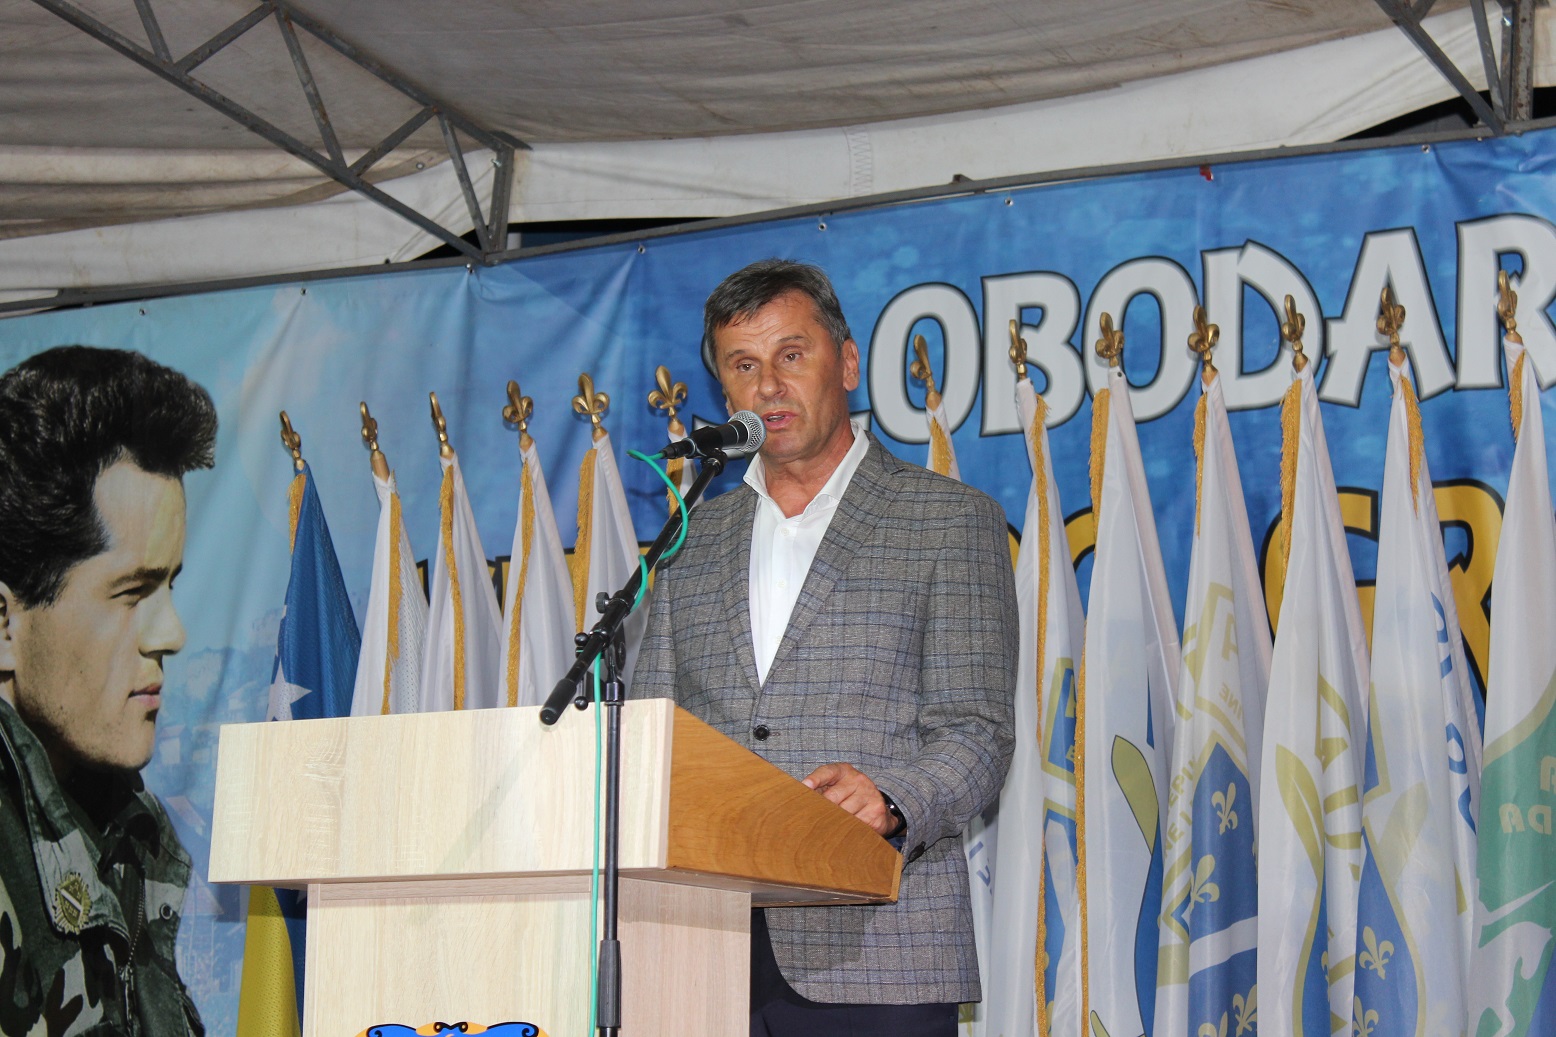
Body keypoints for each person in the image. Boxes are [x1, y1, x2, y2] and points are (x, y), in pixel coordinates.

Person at [635, 259, 1018, 1036]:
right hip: (705, 950)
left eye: (791, 354)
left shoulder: (948, 520)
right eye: (744, 365)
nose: (769, 386)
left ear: (846, 363)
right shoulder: (687, 540)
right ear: (725, 392)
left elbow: (978, 730)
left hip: (878, 946)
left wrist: (893, 798)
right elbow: (653, 731)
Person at [0, 345, 217, 1037]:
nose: (172, 633)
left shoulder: (121, 826)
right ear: (5, 625)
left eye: (170, 584)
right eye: (131, 593)